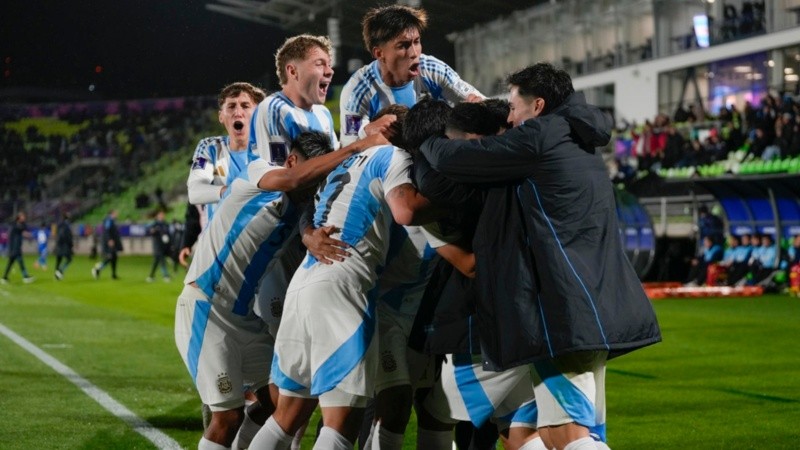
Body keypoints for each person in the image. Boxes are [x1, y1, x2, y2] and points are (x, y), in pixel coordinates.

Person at [418, 63, 661, 450]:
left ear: (538, 106)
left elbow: (457, 160)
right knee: (549, 432)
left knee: (567, 434)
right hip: (590, 306)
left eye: (514, 107)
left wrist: (424, 138)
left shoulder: (541, 135)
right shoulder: (577, 137)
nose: (510, 118)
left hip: (563, 310)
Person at [175, 131, 380, 450]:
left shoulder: (301, 208)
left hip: (244, 319)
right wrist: (357, 146)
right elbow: (292, 180)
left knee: (280, 402)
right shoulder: (258, 171)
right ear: (293, 161)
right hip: (206, 306)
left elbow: (306, 217)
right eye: (313, 176)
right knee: (227, 417)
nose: (315, 187)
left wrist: (309, 234)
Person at [250, 106, 437, 450]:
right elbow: (406, 210)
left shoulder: (343, 163)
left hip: (304, 284)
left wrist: (307, 233)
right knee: (342, 421)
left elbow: (311, 206)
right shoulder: (392, 158)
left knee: (287, 416)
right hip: (342, 288)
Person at [408, 100, 543, 450]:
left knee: (436, 413)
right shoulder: (521, 173)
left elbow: (468, 264)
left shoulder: (453, 188)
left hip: (484, 324)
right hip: (524, 320)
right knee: (517, 428)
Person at [338, 4, 483, 147]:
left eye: (417, 42)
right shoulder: (357, 92)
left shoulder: (432, 70)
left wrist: (478, 108)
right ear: (379, 53)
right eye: (403, 46)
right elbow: (348, 149)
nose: (414, 53)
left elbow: (483, 105)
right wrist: (365, 133)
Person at [185, 82, 267, 252]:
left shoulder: (270, 151)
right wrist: (233, 191)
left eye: (245, 106)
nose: (238, 112)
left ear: (258, 114)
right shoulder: (210, 148)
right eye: (231, 106)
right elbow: (195, 192)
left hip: (261, 246)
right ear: (221, 116)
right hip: (218, 250)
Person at [250, 34, 339, 164]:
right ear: (293, 71)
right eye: (320, 64)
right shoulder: (274, 110)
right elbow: (281, 173)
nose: (330, 71)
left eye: (329, 65)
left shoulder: (323, 113)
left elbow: (334, 162)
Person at [1, 212, 35, 284]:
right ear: (19, 217)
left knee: (10, 263)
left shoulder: (19, 225)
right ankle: (25, 277)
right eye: (23, 216)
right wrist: (30, 235)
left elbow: (23, 230)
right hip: (14, 247)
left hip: (15, 246)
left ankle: (4, 277)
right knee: (20, 261)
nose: (24, 218)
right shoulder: (15, 226)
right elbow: (23, 231)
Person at [92, 210, 122, 280]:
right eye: (116, 213)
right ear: (112, 213)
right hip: (109, 242)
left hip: (113, 241)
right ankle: (97, 269)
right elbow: (106, 230)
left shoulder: (112, 221)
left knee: (114, 257)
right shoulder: (108, 220)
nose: (117, 214)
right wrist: (109, 239)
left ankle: (113, 274)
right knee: (110, 257)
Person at [146, 210, 172, 282]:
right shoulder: (154, 224)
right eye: (160, 214)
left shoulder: (165, 224)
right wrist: (153, 231)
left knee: (156, 261)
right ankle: (166, 276)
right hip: (157, 245)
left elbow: (169, 234)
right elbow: (149, 231)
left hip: (164, 245)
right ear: (157, 216)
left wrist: (169, 243)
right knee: (161, 259)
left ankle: (151, 276)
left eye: (163, 214)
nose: (162, 216)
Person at [54, 212, 74, 280]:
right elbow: (68, 235)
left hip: (59, 244)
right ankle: (60, 271)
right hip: (65, 244)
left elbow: (57, 233)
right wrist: (71, 244)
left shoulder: (59, 224)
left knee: (58, 259)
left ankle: (56, 274)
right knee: (69, 259)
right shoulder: (67, 225)